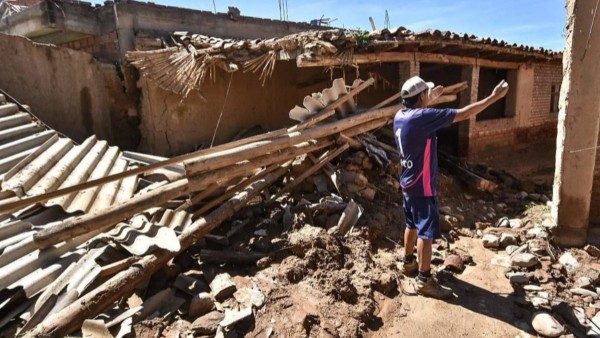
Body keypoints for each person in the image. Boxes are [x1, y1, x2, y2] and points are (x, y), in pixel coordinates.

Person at [394, 75, 509, 299]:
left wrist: (430, 96)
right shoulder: (423, 117)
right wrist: (493, 98)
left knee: (411, 223)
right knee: (425, 233)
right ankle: (424, 280)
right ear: (421, 98)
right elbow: (465, 112)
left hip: (408, 182)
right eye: (426, 94)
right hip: (423, 185)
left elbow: (419, 109)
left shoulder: (400, 115)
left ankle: (408, 263)